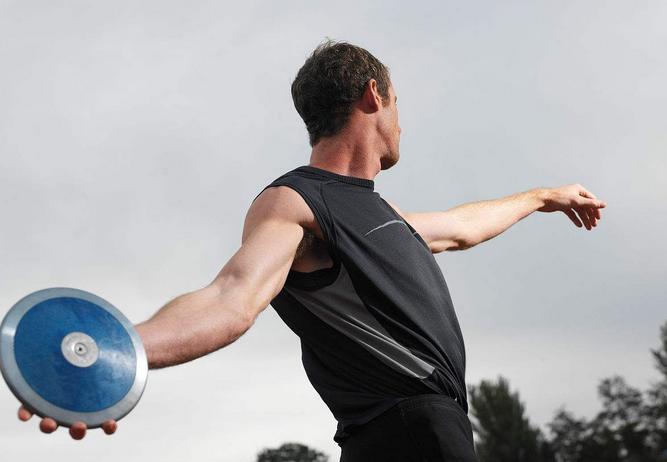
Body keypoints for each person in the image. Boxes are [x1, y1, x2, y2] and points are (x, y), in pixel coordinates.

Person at [17, 41, 606, 461]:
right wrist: (110, 352)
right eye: (398, 103)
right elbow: (230, 298)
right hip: (404, 429)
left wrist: (542, 196)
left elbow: (459, 227)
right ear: (374, 95)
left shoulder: (377, 216)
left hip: (425, 429)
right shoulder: (295, 203)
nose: (402, 123)